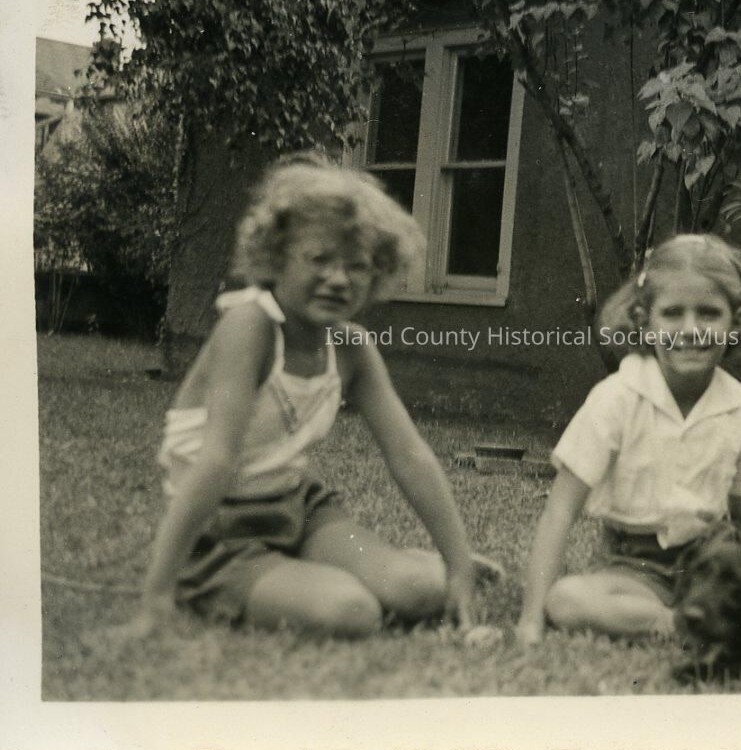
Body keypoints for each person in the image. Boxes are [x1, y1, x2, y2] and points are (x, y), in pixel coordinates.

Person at [133, 153, 492, 638]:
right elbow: (216, 461)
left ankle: (398, 566)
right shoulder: (250, 326)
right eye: (319, 259)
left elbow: (410, 456)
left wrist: (458, 567)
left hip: (298, 511)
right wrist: (156, 596)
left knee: (425, 591)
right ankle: (281, 581)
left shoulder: (351, 347)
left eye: (357, 266)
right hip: (220, 530)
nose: (338, 279)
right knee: (350, 612)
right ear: (276, 258)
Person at [515, 234, 741, 645]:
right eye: (672, 313)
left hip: (714, 563)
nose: (691, 330)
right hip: (631, 567)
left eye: (709, 313)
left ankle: (705, 614)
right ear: (645, 320)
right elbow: (559, 512)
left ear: (736, 321)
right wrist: (530, 619)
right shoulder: (617, 398)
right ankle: (672, 622)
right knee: (567, 601)